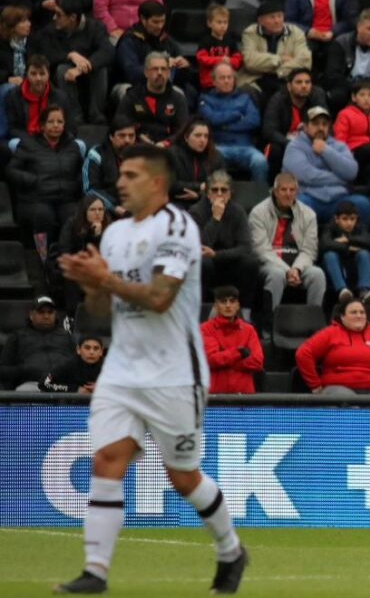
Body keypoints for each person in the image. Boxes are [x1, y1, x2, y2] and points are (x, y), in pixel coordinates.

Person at [55, 143, 247, 594]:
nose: (120, 182)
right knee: (107, 460)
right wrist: (92, 285)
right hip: (122, 369)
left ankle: (231, 550)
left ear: (157, 182)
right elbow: (102, 309)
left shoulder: (178, 227)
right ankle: (96, 572)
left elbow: (160, 298)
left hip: (174, 372)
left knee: (182, 478)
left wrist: (105, 280)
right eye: (120, 175)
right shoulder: (115, 233)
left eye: (131, 175)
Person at [9, 104, 83, 260]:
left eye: (60, 122)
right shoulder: (28, 144)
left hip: (65, 199)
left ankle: (66, 259)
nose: (56, 125)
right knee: (43, 216)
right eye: (51, 122)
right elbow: (11, 171)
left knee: (74, 216)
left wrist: (74, 185)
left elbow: (81, 173)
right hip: (35, 199)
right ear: (42, 125)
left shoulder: (73, 146)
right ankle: (43, 258)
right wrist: (32, 180)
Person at [297, 298, 370, 396]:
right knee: (349, 411)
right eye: (353, 312)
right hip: (338, 388)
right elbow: (303, 353)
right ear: (342, 317)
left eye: (362, 312)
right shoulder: (330, 333)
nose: (359, 316)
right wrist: (315, 386)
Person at [249, 171, 327, 310]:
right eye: (284, 189)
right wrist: (287, 270)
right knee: (277, 274)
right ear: (275, 191)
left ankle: (314, 321)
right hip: (269, 265)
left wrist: (296, 269)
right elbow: (261, 250)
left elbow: (309, 250)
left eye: (292, 190)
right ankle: (270, 323)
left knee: (318, 274)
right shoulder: (258, 213)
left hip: (299, 266)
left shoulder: (308, 214)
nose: (288, 194)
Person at [32, 0, 112, 124]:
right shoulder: (50, 30)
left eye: (58, 15)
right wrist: (70, 55)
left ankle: (96, 114)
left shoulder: (96, 28)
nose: (54, 18)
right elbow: (46, 55)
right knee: (62, 69)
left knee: (100, 68)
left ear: (73, 17)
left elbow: (107, 51)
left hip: (88, 74)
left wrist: (84, 67)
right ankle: (74, 116)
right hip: (65, 75)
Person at [283, 104, 368, 224]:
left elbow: (351, 171)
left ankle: (356, 242)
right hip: (308, 196)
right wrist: (341, 179)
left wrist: (326, 151)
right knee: (300, 204)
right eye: (316, 124)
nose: (321, 128)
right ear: (306, 126)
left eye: (324, 124)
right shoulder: (294, 146)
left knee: (362, 204)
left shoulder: (339, 146)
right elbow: (307, 176)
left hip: (338, 199)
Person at [189, 171, 262, 311]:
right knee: (203, 263)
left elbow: (245, 247)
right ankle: (204, 311)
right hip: (208, 266)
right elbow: (201, 246)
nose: (219, 194)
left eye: (224, 190)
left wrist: (217, 255)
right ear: (207, 193)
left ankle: (245, 311)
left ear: (230, 193)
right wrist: (215, 219)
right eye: (215, 190)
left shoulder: (238, 211)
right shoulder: (196, 212)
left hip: (229, 262)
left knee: (251, 262)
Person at [199, 63, 270, 183]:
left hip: (245, 147)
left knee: (260, 161)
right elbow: (211, 120)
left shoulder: (245, 98)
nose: (226, 81)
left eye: (229, 77)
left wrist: (223, 125)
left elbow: (254, 121)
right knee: (214, 159)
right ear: (214, 81)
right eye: (222, 78)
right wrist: (236, 115)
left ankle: (260, 198)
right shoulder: (205, 99)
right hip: (218, 147)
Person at [284, 0, 357, 71]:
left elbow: (349, 19)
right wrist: (308, 32)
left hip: (333, 35)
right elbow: (288, 20)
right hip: (308, 35)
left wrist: (333, 32)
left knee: (335, 51)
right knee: (304, 52)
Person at [323, 8, 370, 112]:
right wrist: (361, 91)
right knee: (337, 95)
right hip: (349, 90)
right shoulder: (341, 43)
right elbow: (333, 77)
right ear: (359, 27)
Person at [238, 0, 313, 102]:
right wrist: (279, 59)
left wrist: (279, 71)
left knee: (314, 92)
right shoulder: (250, 33)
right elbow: (250, 62)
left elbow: (305, 62)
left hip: (286, 80)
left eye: (280, 16)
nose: (277, 21)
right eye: (272, 17)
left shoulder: (296, 32)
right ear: (261, 21)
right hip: (256, 81)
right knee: (246, 92)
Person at [0, 294, 75, 390]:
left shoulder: (67, 336)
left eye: (50, 312)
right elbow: (3, 370)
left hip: (64, 385)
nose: (46, 316)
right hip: (32, 385)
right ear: (31, 315)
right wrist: (24, 370)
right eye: (41, 312)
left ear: (55, 314)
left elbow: (80, 363)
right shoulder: (17, 337)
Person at [261, 67, 327, 175]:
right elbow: (269, 130)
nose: (304, 86)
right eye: (299, 82)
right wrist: (291, 144)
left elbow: (326, 126)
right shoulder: (278, 100)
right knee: (274, 149)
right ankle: (273, 186)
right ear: (289, 86)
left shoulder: (317, 98)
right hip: (284, 143)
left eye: (307, 82)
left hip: (310, 142)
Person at [200, 285, 263, 396]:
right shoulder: (205, 329)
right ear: (215, 306)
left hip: (245, 396)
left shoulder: (249, 330)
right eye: (223, 302)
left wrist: (225, 358)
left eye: (232, 301)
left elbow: (257, 362)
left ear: (238, 305)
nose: (228, 305)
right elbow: (212, 360)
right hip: (216, 397)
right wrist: (239, 353)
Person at [114, 51, 188, 146]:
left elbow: (182, 131)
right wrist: (138, 136)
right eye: (155, 69)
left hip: (168, 149)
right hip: (137, 146)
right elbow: (120, 124)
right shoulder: (132, 96)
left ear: (169, 73)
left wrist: (166, 143)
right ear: (146, 72)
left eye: (163, 69)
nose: (160, 73)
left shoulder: (178, 98)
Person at [112, 0, 188, 91]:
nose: (160, 26)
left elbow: (181, 75)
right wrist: (162, 65)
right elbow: (130, 73)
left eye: (162, 21)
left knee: (180, 93)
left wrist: (184, 66)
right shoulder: (130, 40)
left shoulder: (166, 40)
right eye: (155, 22)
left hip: (163, 86)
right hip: (131, 85)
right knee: (125, 91)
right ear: (143, 20)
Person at [4, 53, 78, 142]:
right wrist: (31, 140)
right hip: (27, 140)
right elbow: (13, 128)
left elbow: (71, 128)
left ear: (48, 75)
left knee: (80, 144)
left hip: (54, 140)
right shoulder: (14, 96)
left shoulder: (61, 97)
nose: (38, 78)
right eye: (33, 74)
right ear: (26, 75)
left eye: (42, 74)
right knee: (13, 143)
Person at [56, 195, 111, 316]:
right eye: (92, 209)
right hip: (77, 270)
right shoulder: (72, 225)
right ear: (84, 211)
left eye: (100, 209)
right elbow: (65, 251)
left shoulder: (110, 228)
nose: (97, 213)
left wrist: (98, 237)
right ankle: (73, 316)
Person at [320, 199, 370, 304]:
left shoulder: (360, 227)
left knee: (364, 254)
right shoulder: (330, 228)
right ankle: (342, 290)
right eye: (345, 219)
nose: (349, 223)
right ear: (337, 219)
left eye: (352, 219)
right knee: (329, 255)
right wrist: (347, 248)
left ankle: (364, 290)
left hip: (353, 267)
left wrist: (348, 240)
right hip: (334, 268)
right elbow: (324, 244)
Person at [333, 80, 370, 181]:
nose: (366, 99)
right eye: (362, 95)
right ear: (354, 97)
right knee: (368, 151)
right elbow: (340, 139)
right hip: (354, 152)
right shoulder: (345, 114)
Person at [83, 117, 134, 216]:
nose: (127, 140)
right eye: (122, 136)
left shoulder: (141, 155)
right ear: (111, 136)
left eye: (131, 136)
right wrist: (114, 208)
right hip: (106, 207)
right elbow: (89, 189)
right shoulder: (97, 153)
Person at [167, 117, 223, 205]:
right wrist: (200, 186)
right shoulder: (173, 154)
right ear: (186, 137)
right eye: (198, 135)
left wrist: (199, 195)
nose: (203, 140)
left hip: (206, 204)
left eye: (206, 136)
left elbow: (222, 186)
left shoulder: (215, 157)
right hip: (177, 203)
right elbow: (170, 184)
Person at [195, 5, 243, 93]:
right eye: (219, 22)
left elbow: (238, 60)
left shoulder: (231, 41)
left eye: (225, 22)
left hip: (228, 83)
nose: (223, 26)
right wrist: (220, 60)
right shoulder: (205, 41)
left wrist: (229, 61)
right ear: (209, 23)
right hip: (210, 84)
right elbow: (201, 58)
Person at [0, 4, 31, 137]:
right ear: (12, 26)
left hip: (32, 81)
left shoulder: (32, 43)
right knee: (8, 89)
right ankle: (3, 133)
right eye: (23, 22)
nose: (29, 24)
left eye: (28, 20)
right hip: (7, 84)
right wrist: (8, 78)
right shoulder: (1, 46)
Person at [40, 334, 104, 394]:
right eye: (87, 348)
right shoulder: (67, 366)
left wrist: (103, 388)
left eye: (96, 348)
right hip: (72, 405)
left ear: (101, 352)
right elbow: (44, 383)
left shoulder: (109, 368)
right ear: (78, 350)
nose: (91, 352)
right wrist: (76, 389)